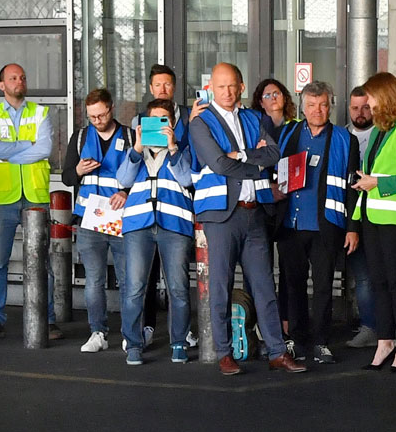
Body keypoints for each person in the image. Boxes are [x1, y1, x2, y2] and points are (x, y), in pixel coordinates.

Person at [190, 62, 304, 375]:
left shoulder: (256, 117)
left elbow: (274, 155)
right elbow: (217, 164)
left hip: (255, 214)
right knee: (221, 286)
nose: (226, 92)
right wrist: (253, 159)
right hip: (221, 216)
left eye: (232, 86)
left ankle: (277, 352)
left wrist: (238, 155)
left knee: (265, 286)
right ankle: (224, 353)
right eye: (220, 86)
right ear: (211, 87)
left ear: (241, 87)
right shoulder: (201, 122)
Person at [0, 62, 61, 342]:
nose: (19, 81)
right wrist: (28, 147)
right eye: (13, 78)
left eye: (23, 77)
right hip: (4, 197)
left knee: (43, 263)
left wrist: (10, 154)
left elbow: (45, 148)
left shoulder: (41, 112)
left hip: (35, 194)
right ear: (2, 85)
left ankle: (47, 320)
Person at [275, 82, 354, 364]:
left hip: (327, 225)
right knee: (292, 284)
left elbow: (353, 188)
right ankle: (295, 338)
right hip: (291, 224)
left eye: (322, 105)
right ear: (303, 107)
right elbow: (276, 173)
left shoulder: (345, 139)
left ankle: (321, 342)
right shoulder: (288, 133)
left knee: (323, 287)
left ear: (329, 106)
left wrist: (352, 228)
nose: (317, 110)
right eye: (311, 105)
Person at [352, 72, 396, 371]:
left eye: (372, 97)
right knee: (380, 282)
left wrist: (377, 185)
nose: (368, 104)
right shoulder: (381, 130)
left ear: (386, 96)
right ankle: (385, 341)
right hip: (373, 215)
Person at [118, 95, 194, 367]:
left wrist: (173, 148)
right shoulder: (133, 151)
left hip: (174, 225)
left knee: (178, 288)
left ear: (172, 124)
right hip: (138, 225)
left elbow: (187, 178)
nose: (158, 126)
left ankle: (179, 342)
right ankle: (134, 344)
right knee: (134, 288)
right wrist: (137, 148)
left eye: (164, 120)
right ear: (142, 123)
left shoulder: (183, 149)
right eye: (153, 121)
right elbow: (123, 179)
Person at [71, 90, 137, 355]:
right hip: (90, 218)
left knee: (127, 279)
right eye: (92, 116)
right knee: (93, 280)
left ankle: (128, 333)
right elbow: (67, 176)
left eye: (101, 114)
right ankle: (97, 332)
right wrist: (78, 170)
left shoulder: (130, 137)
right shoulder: (81, 137)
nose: (97, 120)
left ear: (112, 109)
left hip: (122, 217)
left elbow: (143, 174)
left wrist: (126, 192)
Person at [342, 86, 381, 350]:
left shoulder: (383, 134)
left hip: (380, 215)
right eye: (355, 108)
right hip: (350, 217)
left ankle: (376, 327)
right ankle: (369, 325)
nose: (360, 113)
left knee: (377, 276)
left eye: (365, 107)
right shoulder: (342, 136)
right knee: (362, 276)